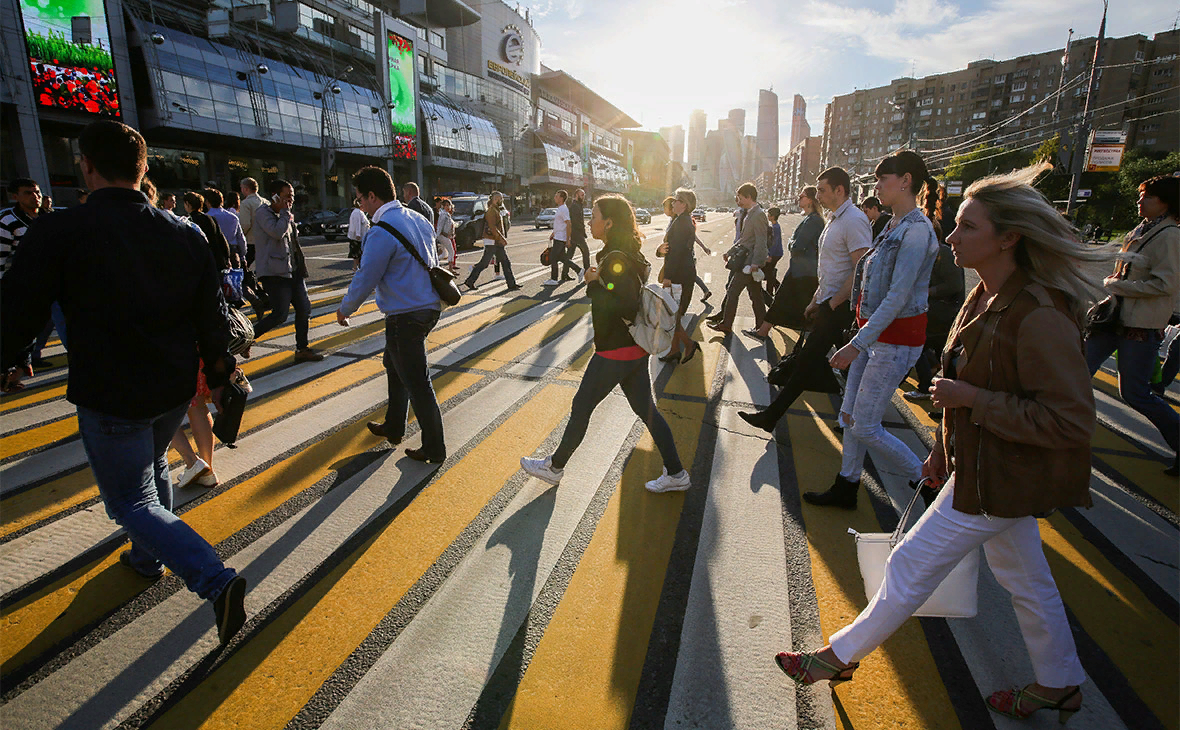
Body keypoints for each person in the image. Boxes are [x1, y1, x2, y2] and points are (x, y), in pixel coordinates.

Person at [774, 163, 1103, 726]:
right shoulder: (990, 296)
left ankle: (836, 657)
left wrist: (971, 399)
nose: (950, 237)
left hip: (1001, 477)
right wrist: (942, 453)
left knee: (909, 564)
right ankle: (1060, 684)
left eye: (967, 228)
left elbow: (1070, 422)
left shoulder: (1038, 313)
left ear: (1009, 238)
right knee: (1028, 581)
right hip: (984, 467)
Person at [0, 120, 247, 645]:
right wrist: (221, 379)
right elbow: (211, 319)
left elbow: (16, 315)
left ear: (85, 165)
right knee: (153, 464)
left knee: (129, 502)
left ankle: (216, 580)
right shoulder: (185, 233)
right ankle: (144, 557)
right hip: (173, 387)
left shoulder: (60, 231)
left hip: (111, 392)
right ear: (143, 168)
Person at [520, 195, 691, 493]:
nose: (590, 220)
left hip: (615, 349)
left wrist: (591, 284)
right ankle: (676, 473)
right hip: (634, 348)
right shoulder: (626, 253)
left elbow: (622, 304)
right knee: (647, 410)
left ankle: (554, 467)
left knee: (582, 406)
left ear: (609, 223)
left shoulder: (614, 258)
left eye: (595, 215)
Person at [803, 150, 941, 509]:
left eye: (883, 180)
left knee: (864, 425)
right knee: (849, 417)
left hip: (894, 342)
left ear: (906, 181)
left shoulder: (916, 231)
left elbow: (897, 297)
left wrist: (854, 344)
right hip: (874, 338)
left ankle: (928, 480)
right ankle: (847, 485)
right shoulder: (893, 224)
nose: (877, 187)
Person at [737, 167, 872, 432]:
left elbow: (861, 268)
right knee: (837, 365)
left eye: (822, 190)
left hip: (840, 306)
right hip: (828, 302)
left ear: (839, 190)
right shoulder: (835, 218)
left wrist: (831, 304)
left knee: (811, 362)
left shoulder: (854, 220)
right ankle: (850, 414)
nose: (817, 195)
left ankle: (774, 417)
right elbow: (830, 268)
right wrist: (816, 300)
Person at [339, 167, 445, 463]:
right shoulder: (419, 219)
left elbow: (366, 276)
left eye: (360, 199)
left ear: (372, 196)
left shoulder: (381, 230)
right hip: (427, 307)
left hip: (405, 315)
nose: (359, 205)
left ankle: (434, 447)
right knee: (393, 363)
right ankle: (395, 424)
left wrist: (345, 308)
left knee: (417, 381)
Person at [1085, 174, 1180, 475]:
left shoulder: (1170, 236)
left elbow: (1166, 284)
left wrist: (1120, 285)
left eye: (1147, 196)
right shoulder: (1144, 228)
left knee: (1136, 393)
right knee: (1074, 371)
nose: (1140, 200)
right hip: (1114, 320)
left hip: (1139, 325)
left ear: (1165, 203)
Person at [252, 179, 323, 363]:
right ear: (274, 196)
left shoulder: (286, 214)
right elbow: (276, 232)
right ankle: (245, 339)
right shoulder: (263, 213)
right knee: (280, 314)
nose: (290, 200)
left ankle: (302, 349)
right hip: (274, 272)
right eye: (287, 196)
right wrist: (285, 213)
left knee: (304, 308)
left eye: (292, 196)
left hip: (293, 270)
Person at [752, 186, 825, 339]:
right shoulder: (810, 218)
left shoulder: (813, 221)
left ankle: (763, 332)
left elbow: (797, 246)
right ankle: (764, 331)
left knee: (783, 301)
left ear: (810, 200)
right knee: (785, 302)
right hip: (802, 269)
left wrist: (791, 243)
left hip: (803, 270)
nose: (799, 198)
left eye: (802, 196)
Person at [904, 238, 965, 401]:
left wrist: (927, 291)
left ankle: (926, 386)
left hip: (942, 312)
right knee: (940, 351)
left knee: (916, 344)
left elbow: (954, 285)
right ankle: (942, 388)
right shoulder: (929, 252)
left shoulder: (942, 252)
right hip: (937, 312)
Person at [0, 178, 44, 390]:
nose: (35, 196)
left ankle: (14, 372)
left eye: (37, 192)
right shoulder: (7, 222)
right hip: (16, 289)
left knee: (29, 334)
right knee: (17, 333)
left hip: (46, 287)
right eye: (28, 193)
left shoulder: (48, 219)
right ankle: (9, 374)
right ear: (15, 197)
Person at [709, 182, 769, 335]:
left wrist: (756, 262)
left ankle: (726, 324)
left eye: (740, 198)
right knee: (756, 295)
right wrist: (729, 252)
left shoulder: (759, 214)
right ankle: (761, 326)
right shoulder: (750, 213)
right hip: (747, 261)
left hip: (749, 263)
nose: (739, 201)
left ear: (749, 197)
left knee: (732, 291)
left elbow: (761, 241)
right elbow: (744, 239)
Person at [655, 188, 701, 364]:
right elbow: (669, 248)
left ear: (684, 204)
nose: (673, 203)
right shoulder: (680, 220)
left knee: (672, 314)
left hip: (680, 276)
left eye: (676, 200)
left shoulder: (682, 223)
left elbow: (677, 253)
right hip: (682, 274)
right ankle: (674, 350)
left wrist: (668, 276)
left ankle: (688, 344)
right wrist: (659, 251)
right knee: (673, 314)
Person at [462, 191, 519, 291]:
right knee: (484, 263)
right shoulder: (492, 211)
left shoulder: (496, 210)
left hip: (496, 241)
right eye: (498, 198)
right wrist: (502, 238)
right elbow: (493, 228)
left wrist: (500, 238)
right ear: (493, 199)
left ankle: (512, 284)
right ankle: (470, 281)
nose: (500, 200)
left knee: (505, 262)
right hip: (492, 241)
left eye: (501, 198)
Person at [182, 192, 232, 272]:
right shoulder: (210, 218)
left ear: (187, 204)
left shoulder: (189, 221)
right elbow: (222, 239)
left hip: (200, 261)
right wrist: (227, 258)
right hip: (216, 258)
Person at [545, 190, 582, 285]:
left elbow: (568, 223)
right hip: (558, 236)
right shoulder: (560, 208)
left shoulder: (563, 209)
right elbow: (559, 224)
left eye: (556, 196)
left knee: (553, 258)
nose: (555, 198)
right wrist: (553, 233)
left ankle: (554, 279)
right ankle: (579, 270)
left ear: (561, 198)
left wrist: (568, 239)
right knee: (562, 258)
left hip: (561, 238)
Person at [205, 187, 247, 269]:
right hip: (232, 253)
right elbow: (240, 239)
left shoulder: (206, 218)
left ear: (207, 202)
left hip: (214, 254)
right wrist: (242, 256)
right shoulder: (233, 217)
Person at [563, 188, 591, 280]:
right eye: (582, 195)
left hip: (575, 234)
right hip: (577, 234)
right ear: (576, 195)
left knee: (569, 255)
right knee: (586, 252)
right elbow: (574, 221)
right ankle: (587, 274)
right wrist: (581, 231)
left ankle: (564, 274)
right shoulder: (575, 206)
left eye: (584, 195)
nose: (584, 197)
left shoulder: (578, 205)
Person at [239, 177, 265, 265]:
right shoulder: (266, 202)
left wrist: (241, 234)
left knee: (245, 265)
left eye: (242, 187)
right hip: (265, 239)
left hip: (251, 240)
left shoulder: (245, 203)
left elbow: (245, 224)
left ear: (246, 189)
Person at [764, 207, 784, 299]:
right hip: (776, 253)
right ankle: (773, 290)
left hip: (776, 253)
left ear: (773, 216)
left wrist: (770, 255)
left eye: (769, 215)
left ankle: (774, 290)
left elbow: (774, 243)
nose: (768, 216)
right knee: (769, 272)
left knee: (768, 272)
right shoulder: (774, 226)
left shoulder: (775, 227)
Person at [435, 198, 459, 274]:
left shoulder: (447, 215)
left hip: (445, 236)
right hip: (443, 236)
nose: (448, 207)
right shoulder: (443, 215)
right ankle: (450, 268)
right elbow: (440, 226)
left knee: (444, 254)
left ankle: (436, 262)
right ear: (443, 206)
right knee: (451, 251)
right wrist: (438, 236)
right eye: (446, 205)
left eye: (449, 205)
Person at [347, 197, 371, 272]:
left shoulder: (357, 212)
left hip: (357, 237)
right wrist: (358, 234)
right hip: (358, 237)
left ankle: (356, 268)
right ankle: (356, 268)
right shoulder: (358, 212)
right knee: (358, 253)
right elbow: (358, 224)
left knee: (357, 253)